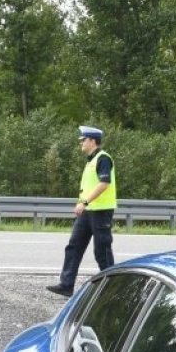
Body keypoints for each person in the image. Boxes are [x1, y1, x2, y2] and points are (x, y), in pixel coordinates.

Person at [47, 125, 116, 297]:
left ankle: (113, 289)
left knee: (102, 251)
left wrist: (84, 202)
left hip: (100, 211)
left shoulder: (103, 158)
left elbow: (104, 183)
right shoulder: (91, 161)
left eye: (83, 140)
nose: (81, 143)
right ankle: (66, 285)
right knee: (74, 246)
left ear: (92, 141)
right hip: (87, 212)